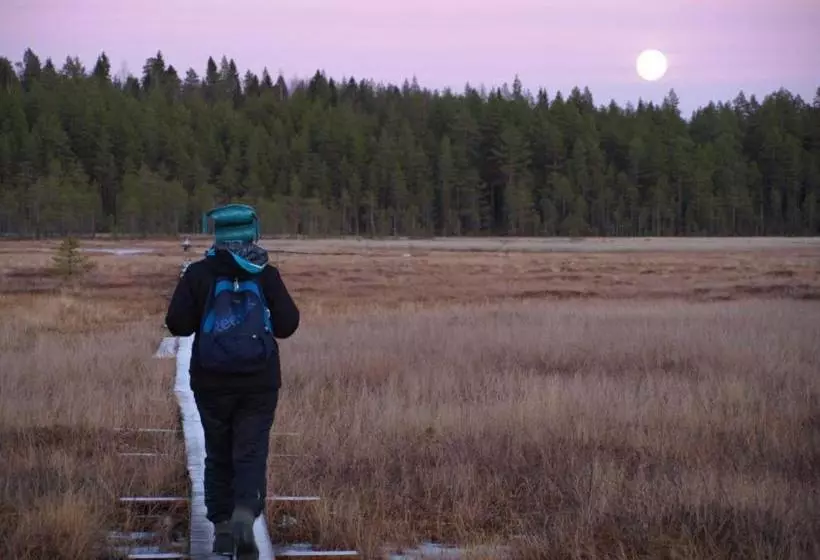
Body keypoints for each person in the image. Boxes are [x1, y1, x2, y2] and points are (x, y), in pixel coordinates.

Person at [165, 207, 299, 560]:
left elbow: (177, 324)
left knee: (217, 451)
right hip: (259, 381)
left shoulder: (199, 273)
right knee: (251, 451)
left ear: (217, 235)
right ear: (252, 233)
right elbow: (287, 325)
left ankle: (222, 528)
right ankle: (244, 514)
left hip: (210, 380)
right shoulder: (265, 273)